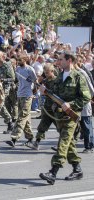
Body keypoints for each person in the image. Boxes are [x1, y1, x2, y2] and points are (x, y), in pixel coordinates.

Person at [39, 52, 91, 185]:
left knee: (63, 142)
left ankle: (53, 172)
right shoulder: (59, 76)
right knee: (69, 144)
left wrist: (71, 104)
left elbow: (86, 97)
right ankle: (77, 169)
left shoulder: (78, 76)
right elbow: (54, 94)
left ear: (69, 60)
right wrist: (45, 91)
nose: (58, 62)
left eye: (61, 59)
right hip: (59, 116)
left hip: (71, 116)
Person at [5, 55, 37, 147]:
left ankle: (14, 138)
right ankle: (30, 138)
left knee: (22, 116)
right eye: (18, 60)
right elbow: (15, 80)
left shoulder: (30, 69)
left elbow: (35, 82)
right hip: (19, 95)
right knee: (26, 118)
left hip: (27, 95)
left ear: (25, 59)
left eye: (20, 59)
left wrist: (34, 93)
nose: (18, 61)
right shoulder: (18, 69)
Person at [33, 63, 57, 150]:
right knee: (42, 125)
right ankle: (37, 142)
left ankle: (64, 145)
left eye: (47, 72)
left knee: (61, 127)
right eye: (45, 73)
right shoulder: (45, 81)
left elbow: (57, 92)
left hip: (56, 107)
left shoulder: (57, 81)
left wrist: (46, 91)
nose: (46, 74)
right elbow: (42, 92)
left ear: (52, 71)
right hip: (47, 107)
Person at [0, 51, 15, 134]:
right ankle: (10, 123)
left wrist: (3, 80)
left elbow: (12, 78)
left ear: (3, 57)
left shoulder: (7, 66)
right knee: (1, 106)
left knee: (0, 105)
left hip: (4, 88)